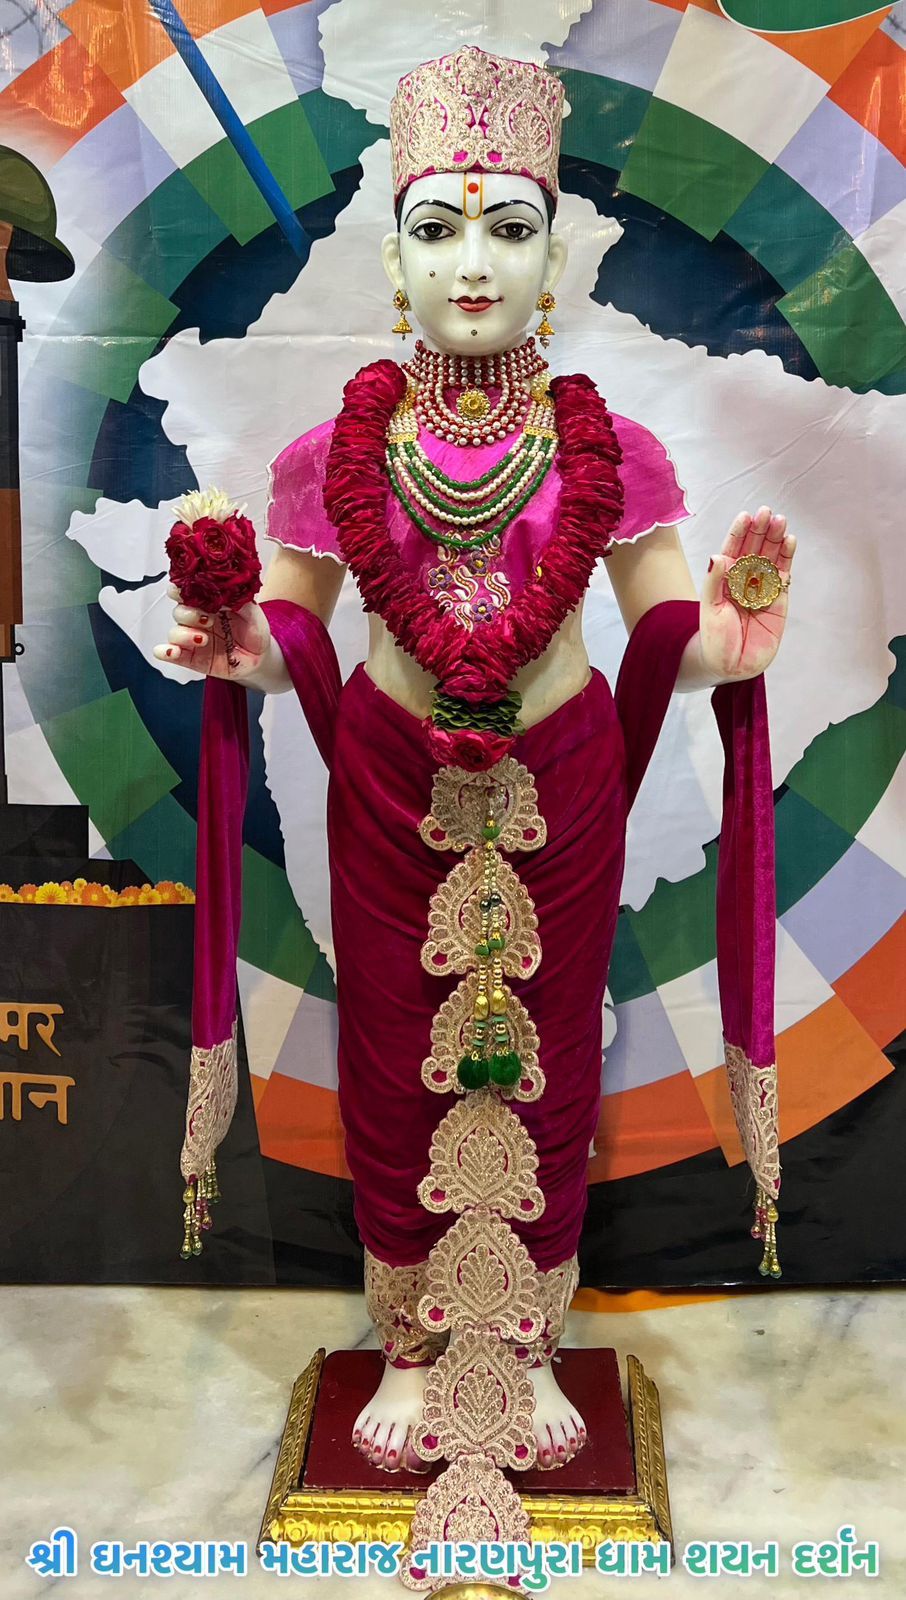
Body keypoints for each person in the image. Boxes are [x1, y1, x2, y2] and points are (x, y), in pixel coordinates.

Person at [154, 46, 794, 1554]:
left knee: (547, 1064)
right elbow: (294, 628)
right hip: (393, 792)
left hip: (557, 790)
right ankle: (411, 1346)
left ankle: (522, 1338)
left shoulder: (613, 452)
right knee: (395, 1061)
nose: (472, 262)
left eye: (510, 227)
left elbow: (664, 623)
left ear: (555, 256)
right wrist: (241, 647)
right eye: (435, 227)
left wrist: (732, 638)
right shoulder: (328, 456)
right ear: (390, 257)